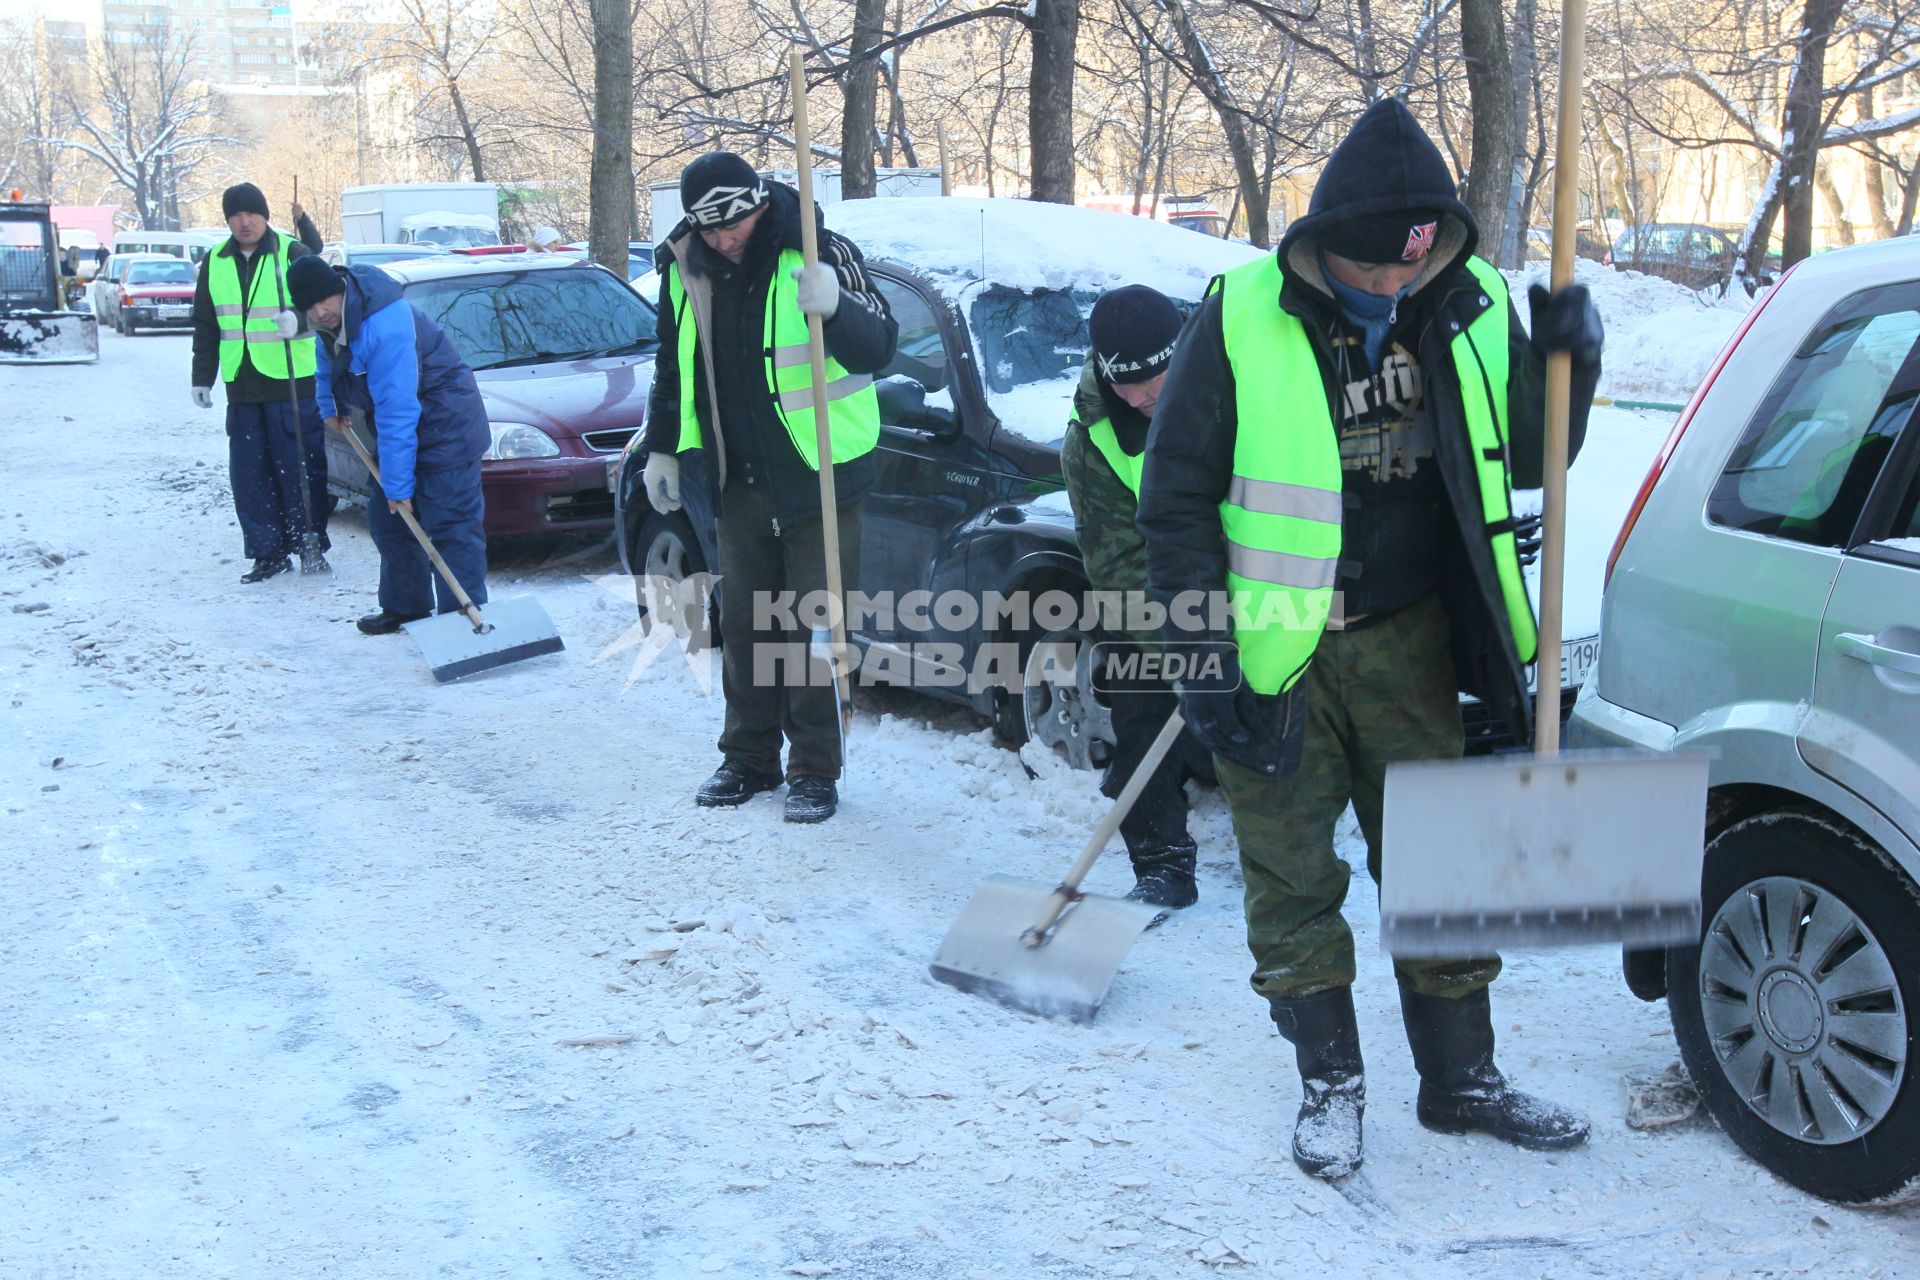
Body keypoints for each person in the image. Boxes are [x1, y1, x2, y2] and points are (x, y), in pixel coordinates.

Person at [1137, 98, 1606, 1179]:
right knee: (1293, 876)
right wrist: (1205, 663)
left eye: (1412, 267)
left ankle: (1460, 1079)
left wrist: (1566, 371)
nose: (1392, 288)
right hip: (1278, 651)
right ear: (1322, 247)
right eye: (1372, 272)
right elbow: (1176, 508)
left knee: (1443, 867)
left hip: (1412, 642)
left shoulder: (1469, 300)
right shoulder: (1240, 316)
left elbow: (1533, 458)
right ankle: (1332, 1084)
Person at [638, 152, 898, 824]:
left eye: (738, 224)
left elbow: (882, 346)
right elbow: (673, 365)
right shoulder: (684, 266)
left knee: (813, 625)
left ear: (759, 205)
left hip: (820, 474)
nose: (727, 240)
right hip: (732, 477)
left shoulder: (820, 250)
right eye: (714, 230)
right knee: (748, 623)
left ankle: (814, 768)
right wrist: (663, 447)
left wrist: (837, 307)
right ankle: (748, 756)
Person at [1060, 284, 1210, 909]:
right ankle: (1161, 862)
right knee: (1138, 693)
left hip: (1252, 576)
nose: (1144, 398)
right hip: (1155, 593)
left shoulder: (1233, 381)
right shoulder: (1091, 443)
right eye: (1128, 387)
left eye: (1156, 379)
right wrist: (1186, 638)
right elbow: (1115, 565)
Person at [286, 255, 491, 634]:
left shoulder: (385, 322)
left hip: (446, 423)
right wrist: (329, 402)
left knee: (450, 525)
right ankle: (406, 607)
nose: (319, 311)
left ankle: (460, 622)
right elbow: (326, 355)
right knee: (388, 519)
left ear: (339, 289)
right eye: (309, 307)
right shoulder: (334, 316)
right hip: (403, 425)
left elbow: (398, 409)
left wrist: (399, 487)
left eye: (323, 301)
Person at [190, 182, 331, 582]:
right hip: (243, 384)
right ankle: (268, 553)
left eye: (251, 213)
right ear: (227, 220)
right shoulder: (215, 260)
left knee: (300, 470)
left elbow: (331, 306)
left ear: (265, 215)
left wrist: (301, 323)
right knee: (250, 475)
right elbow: (206, 324)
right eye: (235, 215)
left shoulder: (291, 252)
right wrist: (203, 377)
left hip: (292, 384)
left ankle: (309, 545)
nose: (244, 221)